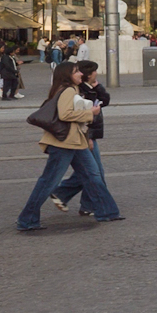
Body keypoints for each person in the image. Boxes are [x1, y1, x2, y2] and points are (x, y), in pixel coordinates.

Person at [15, 61, 120, 230]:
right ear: (68, 75)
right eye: (76, 71)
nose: (80, 74)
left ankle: (107, 212)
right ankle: (27, 219)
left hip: (75, 141)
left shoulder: (71, 89)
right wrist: (90, 113)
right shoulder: (68, 90)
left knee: (92, 175)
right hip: (64, 143)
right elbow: (65, 115)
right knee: (49, 181)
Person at [50, 59, 114, 217]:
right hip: (84, 135)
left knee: (90, 171)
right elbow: (80, 115)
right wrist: (89, 137)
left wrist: (97, 86)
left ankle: (83, 203)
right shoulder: (79, 91)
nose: (97, 73)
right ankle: (68, 196)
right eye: (95, 71)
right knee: (94, 172)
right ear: (88, 74)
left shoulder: (89, 88)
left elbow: (105, 101)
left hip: (87, 134)